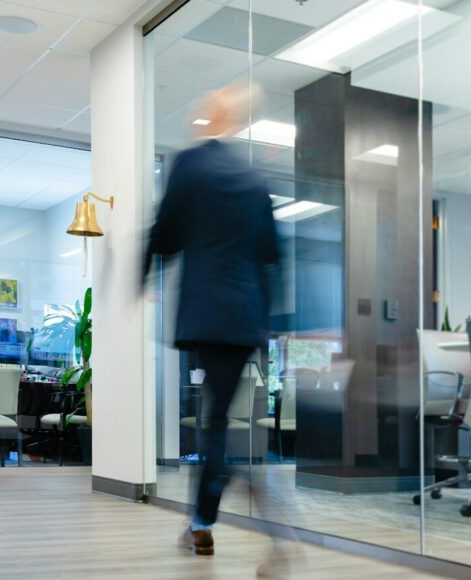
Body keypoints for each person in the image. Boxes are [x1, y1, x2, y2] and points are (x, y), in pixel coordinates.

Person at [143, 83, 280, 561]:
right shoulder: (253, 178)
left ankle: (208, 516)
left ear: (215, 117)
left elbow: (166, 232)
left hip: (205, 312)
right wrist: (263, 326)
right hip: (244, 317)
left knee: (213, 425)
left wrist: (142, 275)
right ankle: (201, 518)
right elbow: (269, 256)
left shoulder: (191, 163)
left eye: (206, 110)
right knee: (218, 418)